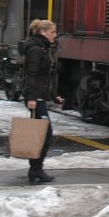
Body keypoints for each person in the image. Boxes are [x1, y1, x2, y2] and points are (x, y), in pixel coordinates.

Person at [22, 19, 63, 182]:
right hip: (35, 97)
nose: (55, 35)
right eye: (53, 32)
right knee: (45, 133)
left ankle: (35, 169)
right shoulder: (36, 50)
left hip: (39, 96)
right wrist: (31, 97)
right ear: (43, 32)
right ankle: (36, 169)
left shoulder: (43, 48)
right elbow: (31, 75)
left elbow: (44, 77)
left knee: (42, 134)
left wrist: (54, 96)